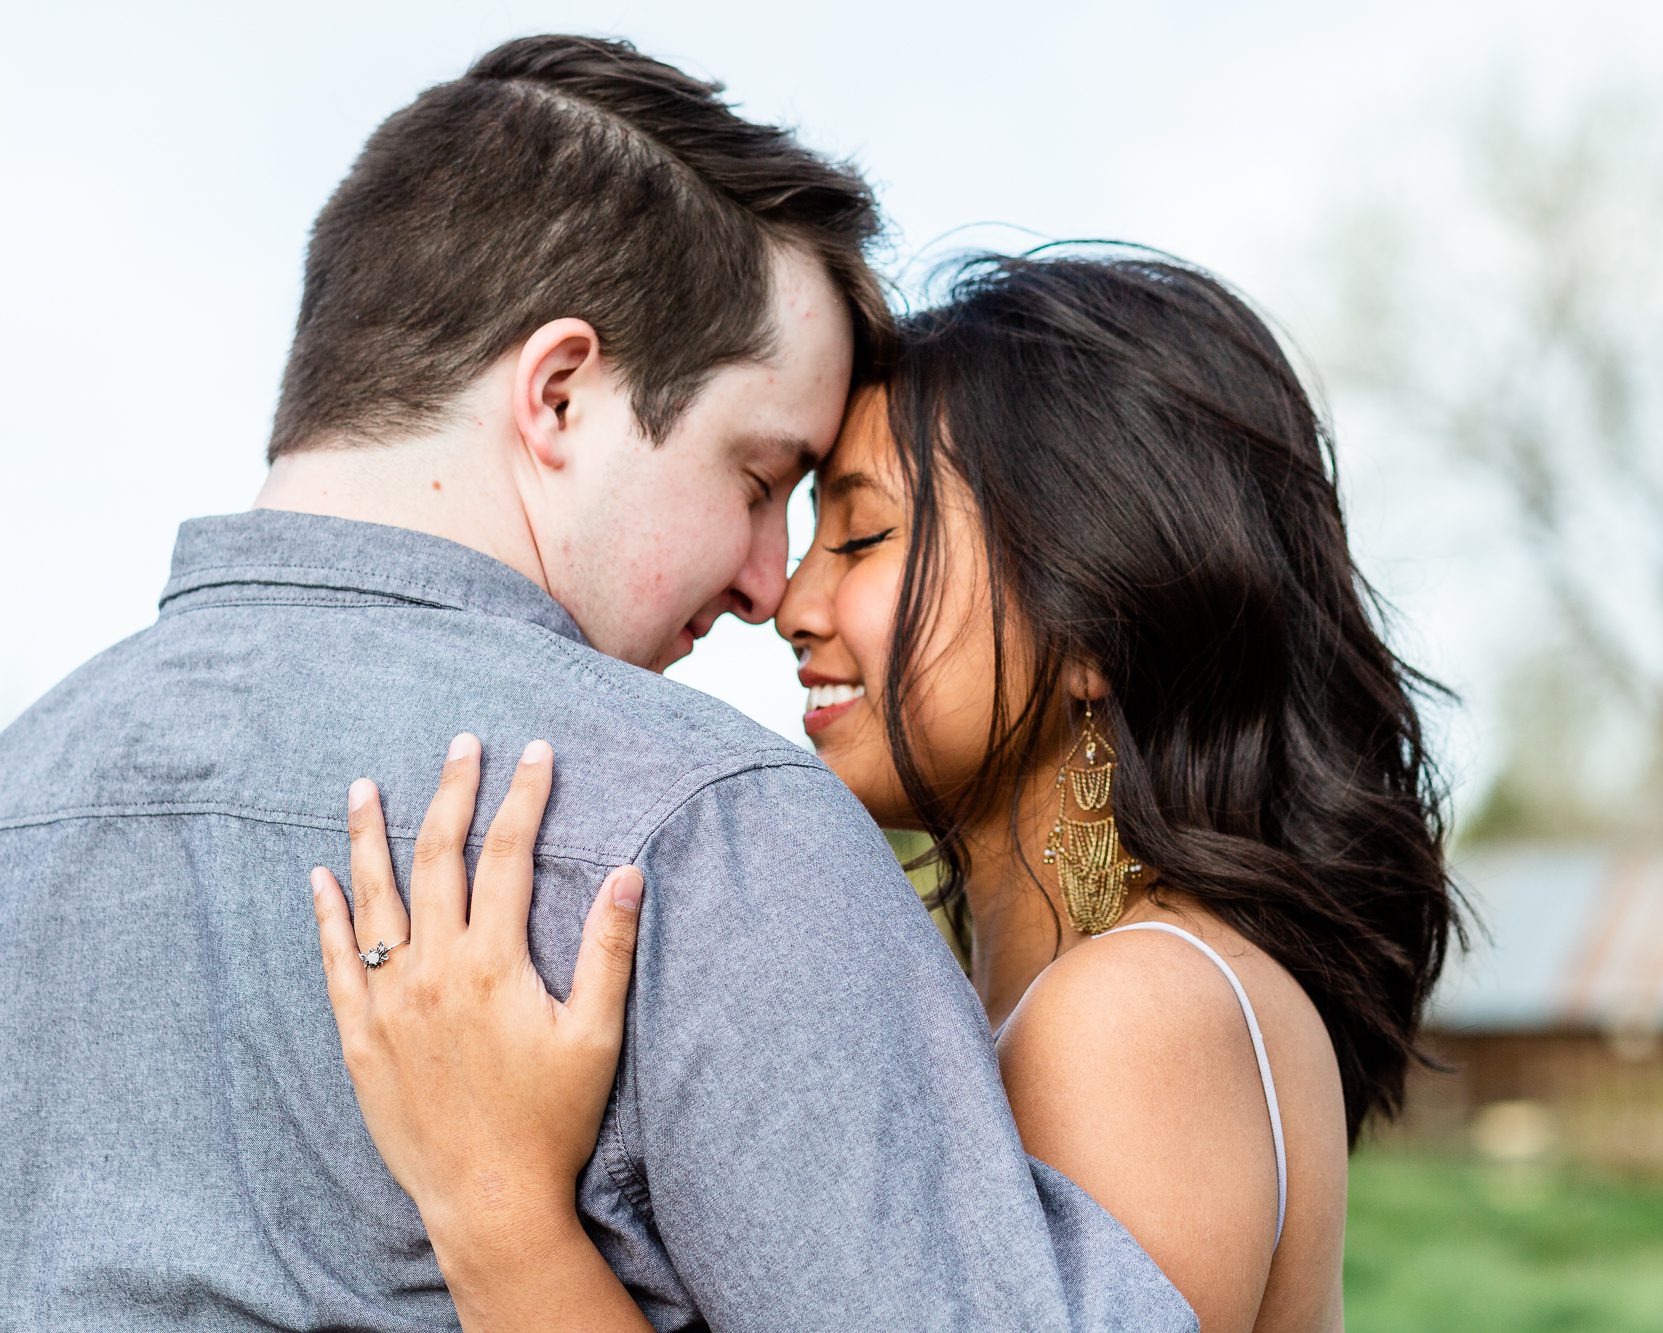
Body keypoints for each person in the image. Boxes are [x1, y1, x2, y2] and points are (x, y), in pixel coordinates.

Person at [0, 37, 1194, 1331]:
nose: (762, 583)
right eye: (756, 480)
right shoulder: (707, 833)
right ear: (561, 392)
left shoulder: (23, 798)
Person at [317, 251, 1462, 1331]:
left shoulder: (1127, 1009)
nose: (788, 602)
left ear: (1092, 618)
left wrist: (495, 1200)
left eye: (861, 537)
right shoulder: (1116, 981)